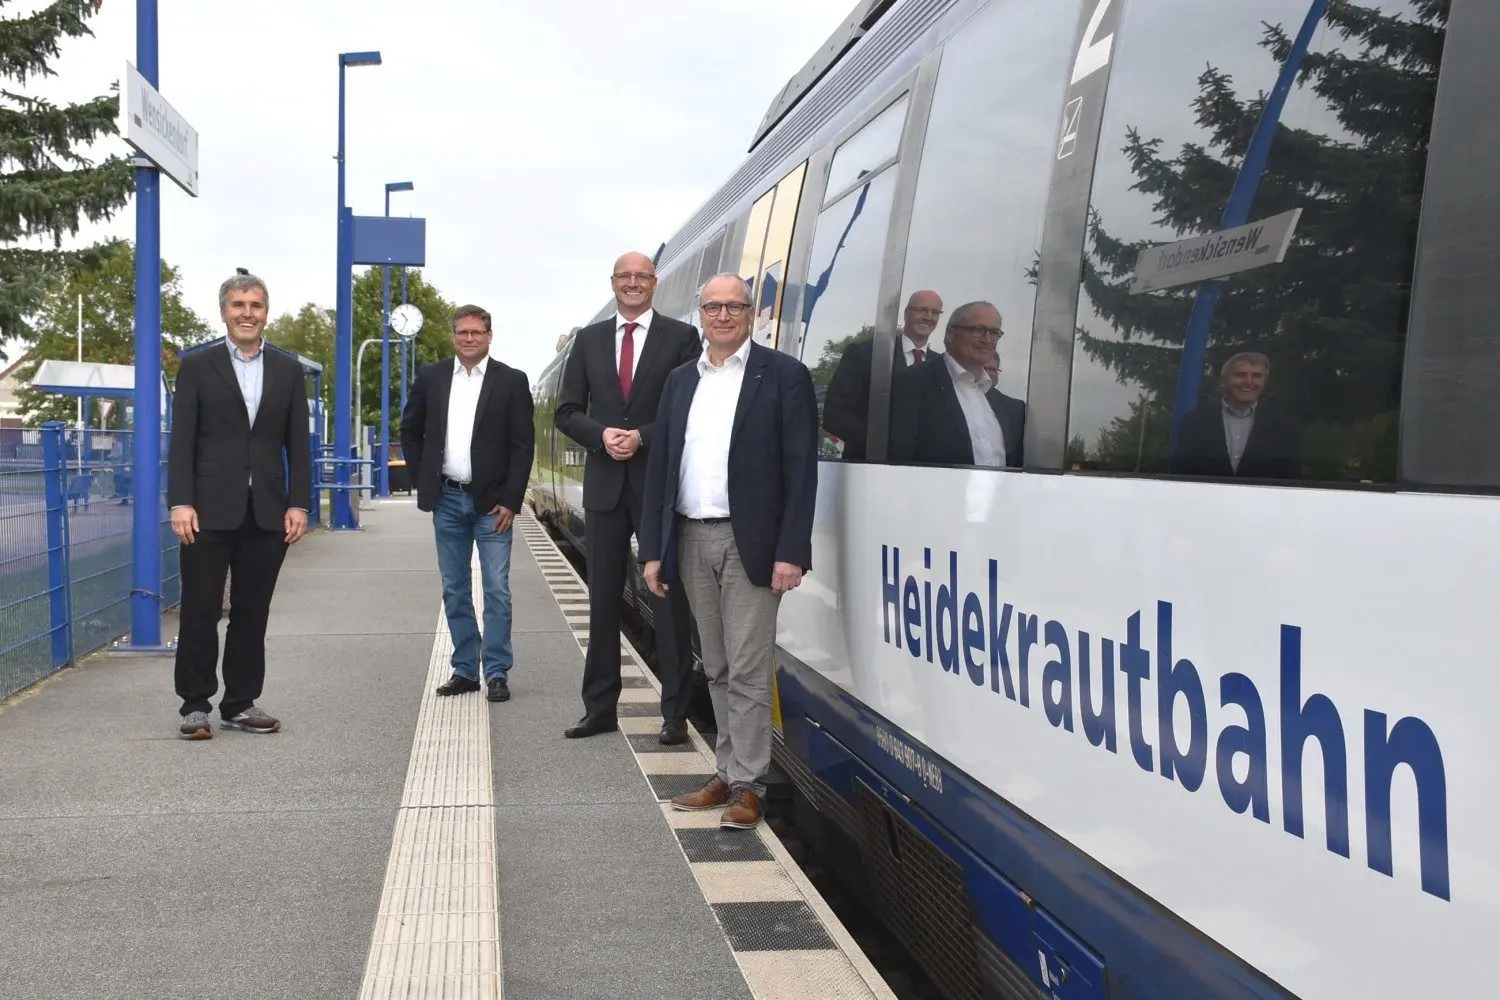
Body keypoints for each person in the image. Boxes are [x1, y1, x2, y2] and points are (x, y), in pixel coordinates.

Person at [639, 273, 819, 829]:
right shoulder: (679, 382)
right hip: (691, 536)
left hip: (752, 543)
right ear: (701, 314)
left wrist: (791, 551)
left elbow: (800, 471)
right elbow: (662, 469)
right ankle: (727, 769)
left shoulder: (784, 376)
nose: (722, 315)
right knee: (714, 663)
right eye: (712, 307)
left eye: (733, 306)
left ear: (751, 313)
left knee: (747, 665)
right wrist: (653, 549)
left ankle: (749, 783)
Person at [554, 252, 701, 743]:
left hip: (658, 486)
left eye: (642, 276)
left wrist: (641, 437)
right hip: (604, 487)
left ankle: (675, 715)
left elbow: (687, 410)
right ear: (613, 282)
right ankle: (600, 709)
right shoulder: (589, 340)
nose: (633, 283)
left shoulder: (681, 338)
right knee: (601, 603)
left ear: (654, 283)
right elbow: (568, 410)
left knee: (667, 601)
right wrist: (601, 436)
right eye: (624, 277)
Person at [168, 269, 311, 740]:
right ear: (225, 311)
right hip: (207, 508)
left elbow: (298, 445)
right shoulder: (197, 366)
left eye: (255, 306)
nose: (247, 314)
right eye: (238, 305)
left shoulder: (289, 371)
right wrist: (181, 502)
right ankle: (194, 704)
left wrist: (299, 504)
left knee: (253, 611)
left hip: (268, 510)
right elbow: (182, 440)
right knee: (201, 608)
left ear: (266, 313)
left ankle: (240, 702)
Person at [401, 304, 535, 701]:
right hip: (447, 499)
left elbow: (522, 446)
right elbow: (409, 431)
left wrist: (511, 499)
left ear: (489, 336)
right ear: (453, 336)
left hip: (493, 506)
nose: (469, 338)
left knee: (497, 589)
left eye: (477, 332)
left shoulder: (511, 381)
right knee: (455, 588)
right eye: (463, 332)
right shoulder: (432, 378)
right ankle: (464, 669)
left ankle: (495, 671)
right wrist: (422, 477)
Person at [888, 301, 1025, 468]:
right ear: (951, 334)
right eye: (978, 330)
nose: (987, 340)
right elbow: (898, 459)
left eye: (994, 332)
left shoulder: (1012, 409)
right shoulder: (911, 384)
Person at [821, 290, 943, 462]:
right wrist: (882, 446)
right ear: (906, 313)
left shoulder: (941, 365)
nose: (928, 317)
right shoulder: (867, 354)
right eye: (922, 310)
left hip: (926, 473)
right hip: (869, 467)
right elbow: (835, 414)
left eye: (935, 312)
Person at [1173, 352, 1301, 479]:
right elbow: (1182, 474)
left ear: (1264, 382)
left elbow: (1291, 479)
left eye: (1257, 376)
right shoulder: (1194, 422)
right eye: (1240, 375)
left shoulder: (1284, 426)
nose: (1249, 382)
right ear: (1224, 380)